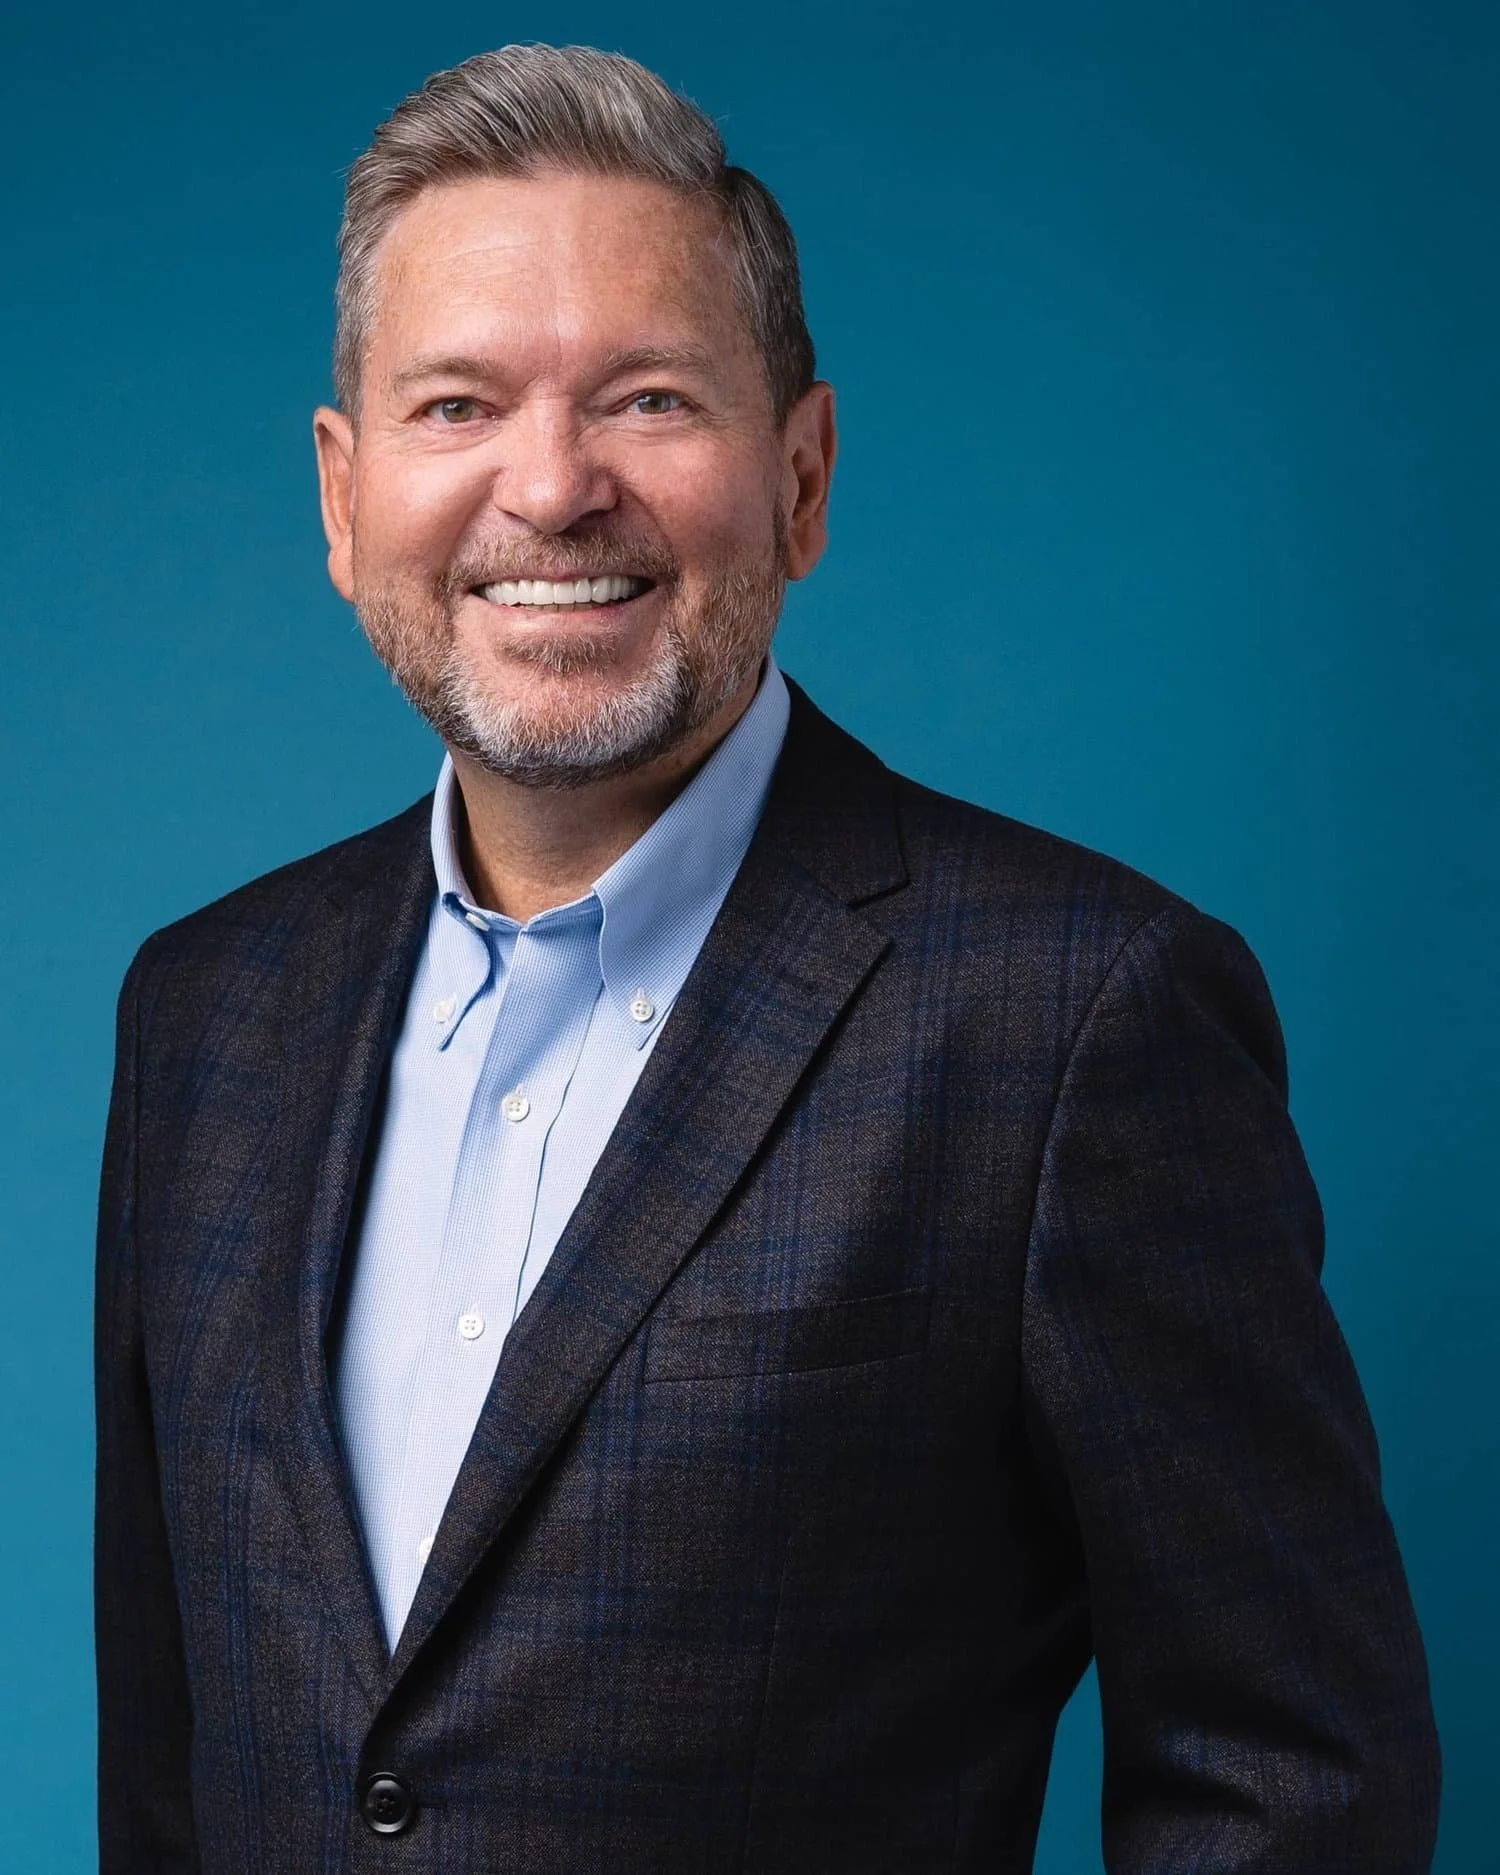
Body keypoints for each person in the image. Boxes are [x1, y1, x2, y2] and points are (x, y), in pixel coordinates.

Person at [94, 42, 1440, 1874]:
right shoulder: (204, 1011)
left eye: (648, 399)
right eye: (456, 405)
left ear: (801, 475)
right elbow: (172, 1770)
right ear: (342, 498)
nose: (551, 489)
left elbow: (1294, 1775)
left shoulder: (1077, 1017)